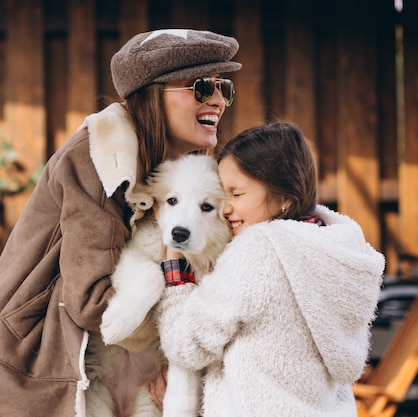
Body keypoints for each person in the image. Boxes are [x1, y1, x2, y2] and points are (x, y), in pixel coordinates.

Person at [0, 28, 242, 417]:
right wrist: (189, 327)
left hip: (131, 378)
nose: (218, 100)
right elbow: (94, 304)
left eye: (224, 88)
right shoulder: (100, 159)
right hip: (45, 366)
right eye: (202, 87)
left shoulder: (190, 170)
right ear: (153, 94)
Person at [154, 122, 385, 416]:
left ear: (284, 197)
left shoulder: (259, 251)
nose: (225, 209)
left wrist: (175, 264)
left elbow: (185, 344)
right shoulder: (338, 249)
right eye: (224, 196)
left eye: (237, 194)